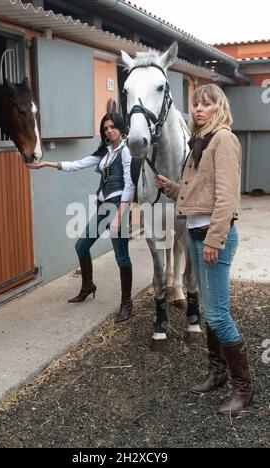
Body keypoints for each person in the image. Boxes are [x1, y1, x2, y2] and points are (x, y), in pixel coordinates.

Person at [155, 84, 253, 415]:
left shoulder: (223, 139)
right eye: (196, 103)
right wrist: (171, 188)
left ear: (219, 108)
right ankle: (217, 371)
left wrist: (214, 238)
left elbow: (227, 197)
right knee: (211, 311)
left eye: (206, 104)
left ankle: (244, 388)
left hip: (213, 238)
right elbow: (197, 195)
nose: (198, 109)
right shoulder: (200, 143)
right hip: (198, 234)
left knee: (218, 313)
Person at [27, 113, 135, 323]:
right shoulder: (105, 152)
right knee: (81, 246)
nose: (109, 131)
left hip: (117, 206)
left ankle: (126, 303)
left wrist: (119, 216)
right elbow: (77, 164)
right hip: (104, 207)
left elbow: (129, 185)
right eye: (105, 128)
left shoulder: (125, 151)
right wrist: (47, 164)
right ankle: (88, 285)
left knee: (121, 256)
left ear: (121, 127)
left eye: (112, 126)